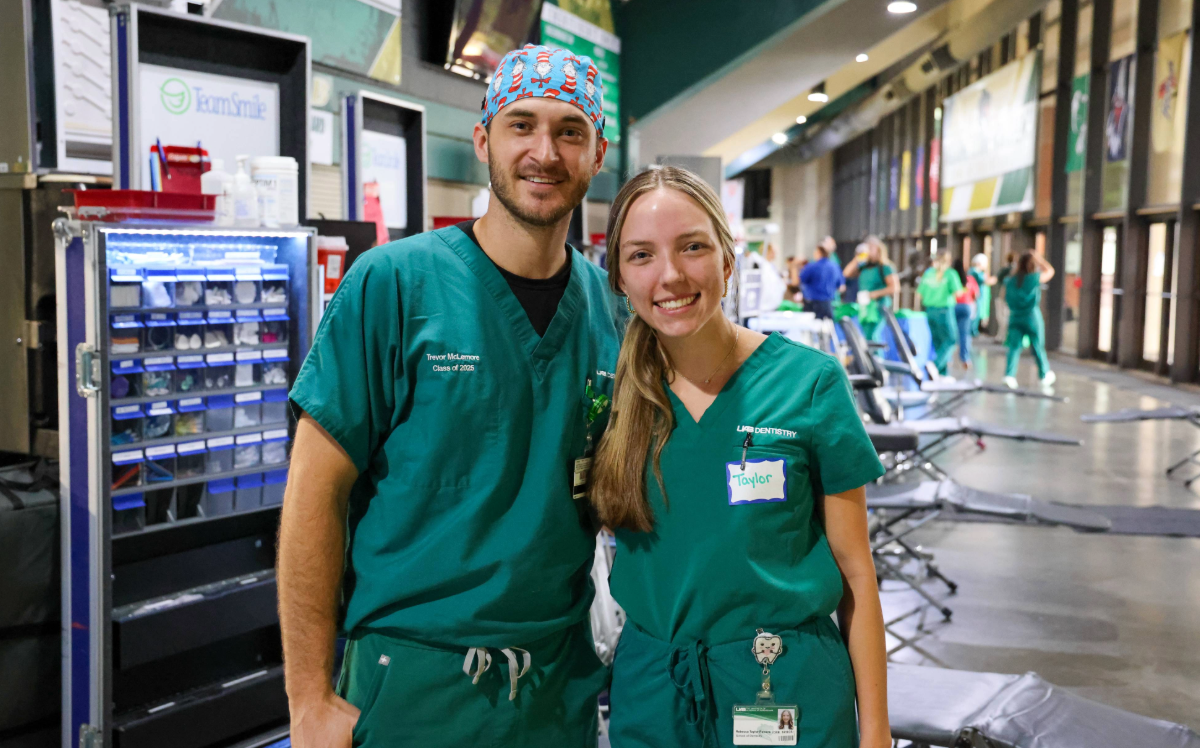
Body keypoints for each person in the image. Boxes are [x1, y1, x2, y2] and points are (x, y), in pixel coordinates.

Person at [278, 44, 622, 748]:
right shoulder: (393, 287)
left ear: (598, 154)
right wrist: (308, 696)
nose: (544, 152)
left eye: (569, 131)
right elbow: (314, 495)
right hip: (412, 687)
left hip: (559, 694)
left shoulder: (608, 307)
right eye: (521, 125)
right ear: (482, 141)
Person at [592, 166, 891, 748]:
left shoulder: (807, 384)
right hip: (653, 692)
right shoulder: (612, 397)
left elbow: (857, 573)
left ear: (729, 261)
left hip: (781, 687)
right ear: (620, 279)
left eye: (692, 247)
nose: (670, 275)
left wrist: (876, 732)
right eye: (641, 255)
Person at [1004, 250, 1056, 389]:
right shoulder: (1034, 278)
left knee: (1014, 347)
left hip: (1015, 316)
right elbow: (1050, 271)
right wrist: (1038, 258)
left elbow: (1006, 297)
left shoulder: (1010, 280)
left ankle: (1009, 375)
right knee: (1037, 346)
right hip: (1031, 316)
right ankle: (1044, 374)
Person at [843, 236, 900, 339]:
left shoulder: (885, 267)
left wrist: (874, 294)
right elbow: (846, 273)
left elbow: (895, 288)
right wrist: (858, 258)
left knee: (873, 335)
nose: (868, 249)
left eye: (871, 247)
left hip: (878, 306)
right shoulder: (864, 266)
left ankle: (876, 355)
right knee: (865, 336)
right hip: (865, 306)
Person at [916, 250, 963, 376]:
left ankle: (942, 374)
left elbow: (919, 294)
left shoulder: (928, 274)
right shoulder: (950, 274)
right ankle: (934, 366)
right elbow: (958, 293)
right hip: (944, 311)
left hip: (929, 310)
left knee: (937, 342)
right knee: (951, 339)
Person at [799, 243, 844, 320]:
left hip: (813, 305)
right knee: (827, 328)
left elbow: (800, 280)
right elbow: (841, 287)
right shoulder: (835, 267)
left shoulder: (812, 266)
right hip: (828, 305)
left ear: (818, 253)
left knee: (810, 329)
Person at [952, 258, 978, 370]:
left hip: (953, 307)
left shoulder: (952, 278)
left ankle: (947, 359)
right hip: (966, 307)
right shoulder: (970, 279)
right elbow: (976, 294)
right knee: (964, 334)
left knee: (951, 333)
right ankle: (965, 359)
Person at [969, 253, 996, 337]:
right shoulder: (975, 271)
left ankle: (973, 330)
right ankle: (973, 331)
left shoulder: (975, 271)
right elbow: (986, 281)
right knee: (975, 314)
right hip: (975, 296)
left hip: (977, 296)